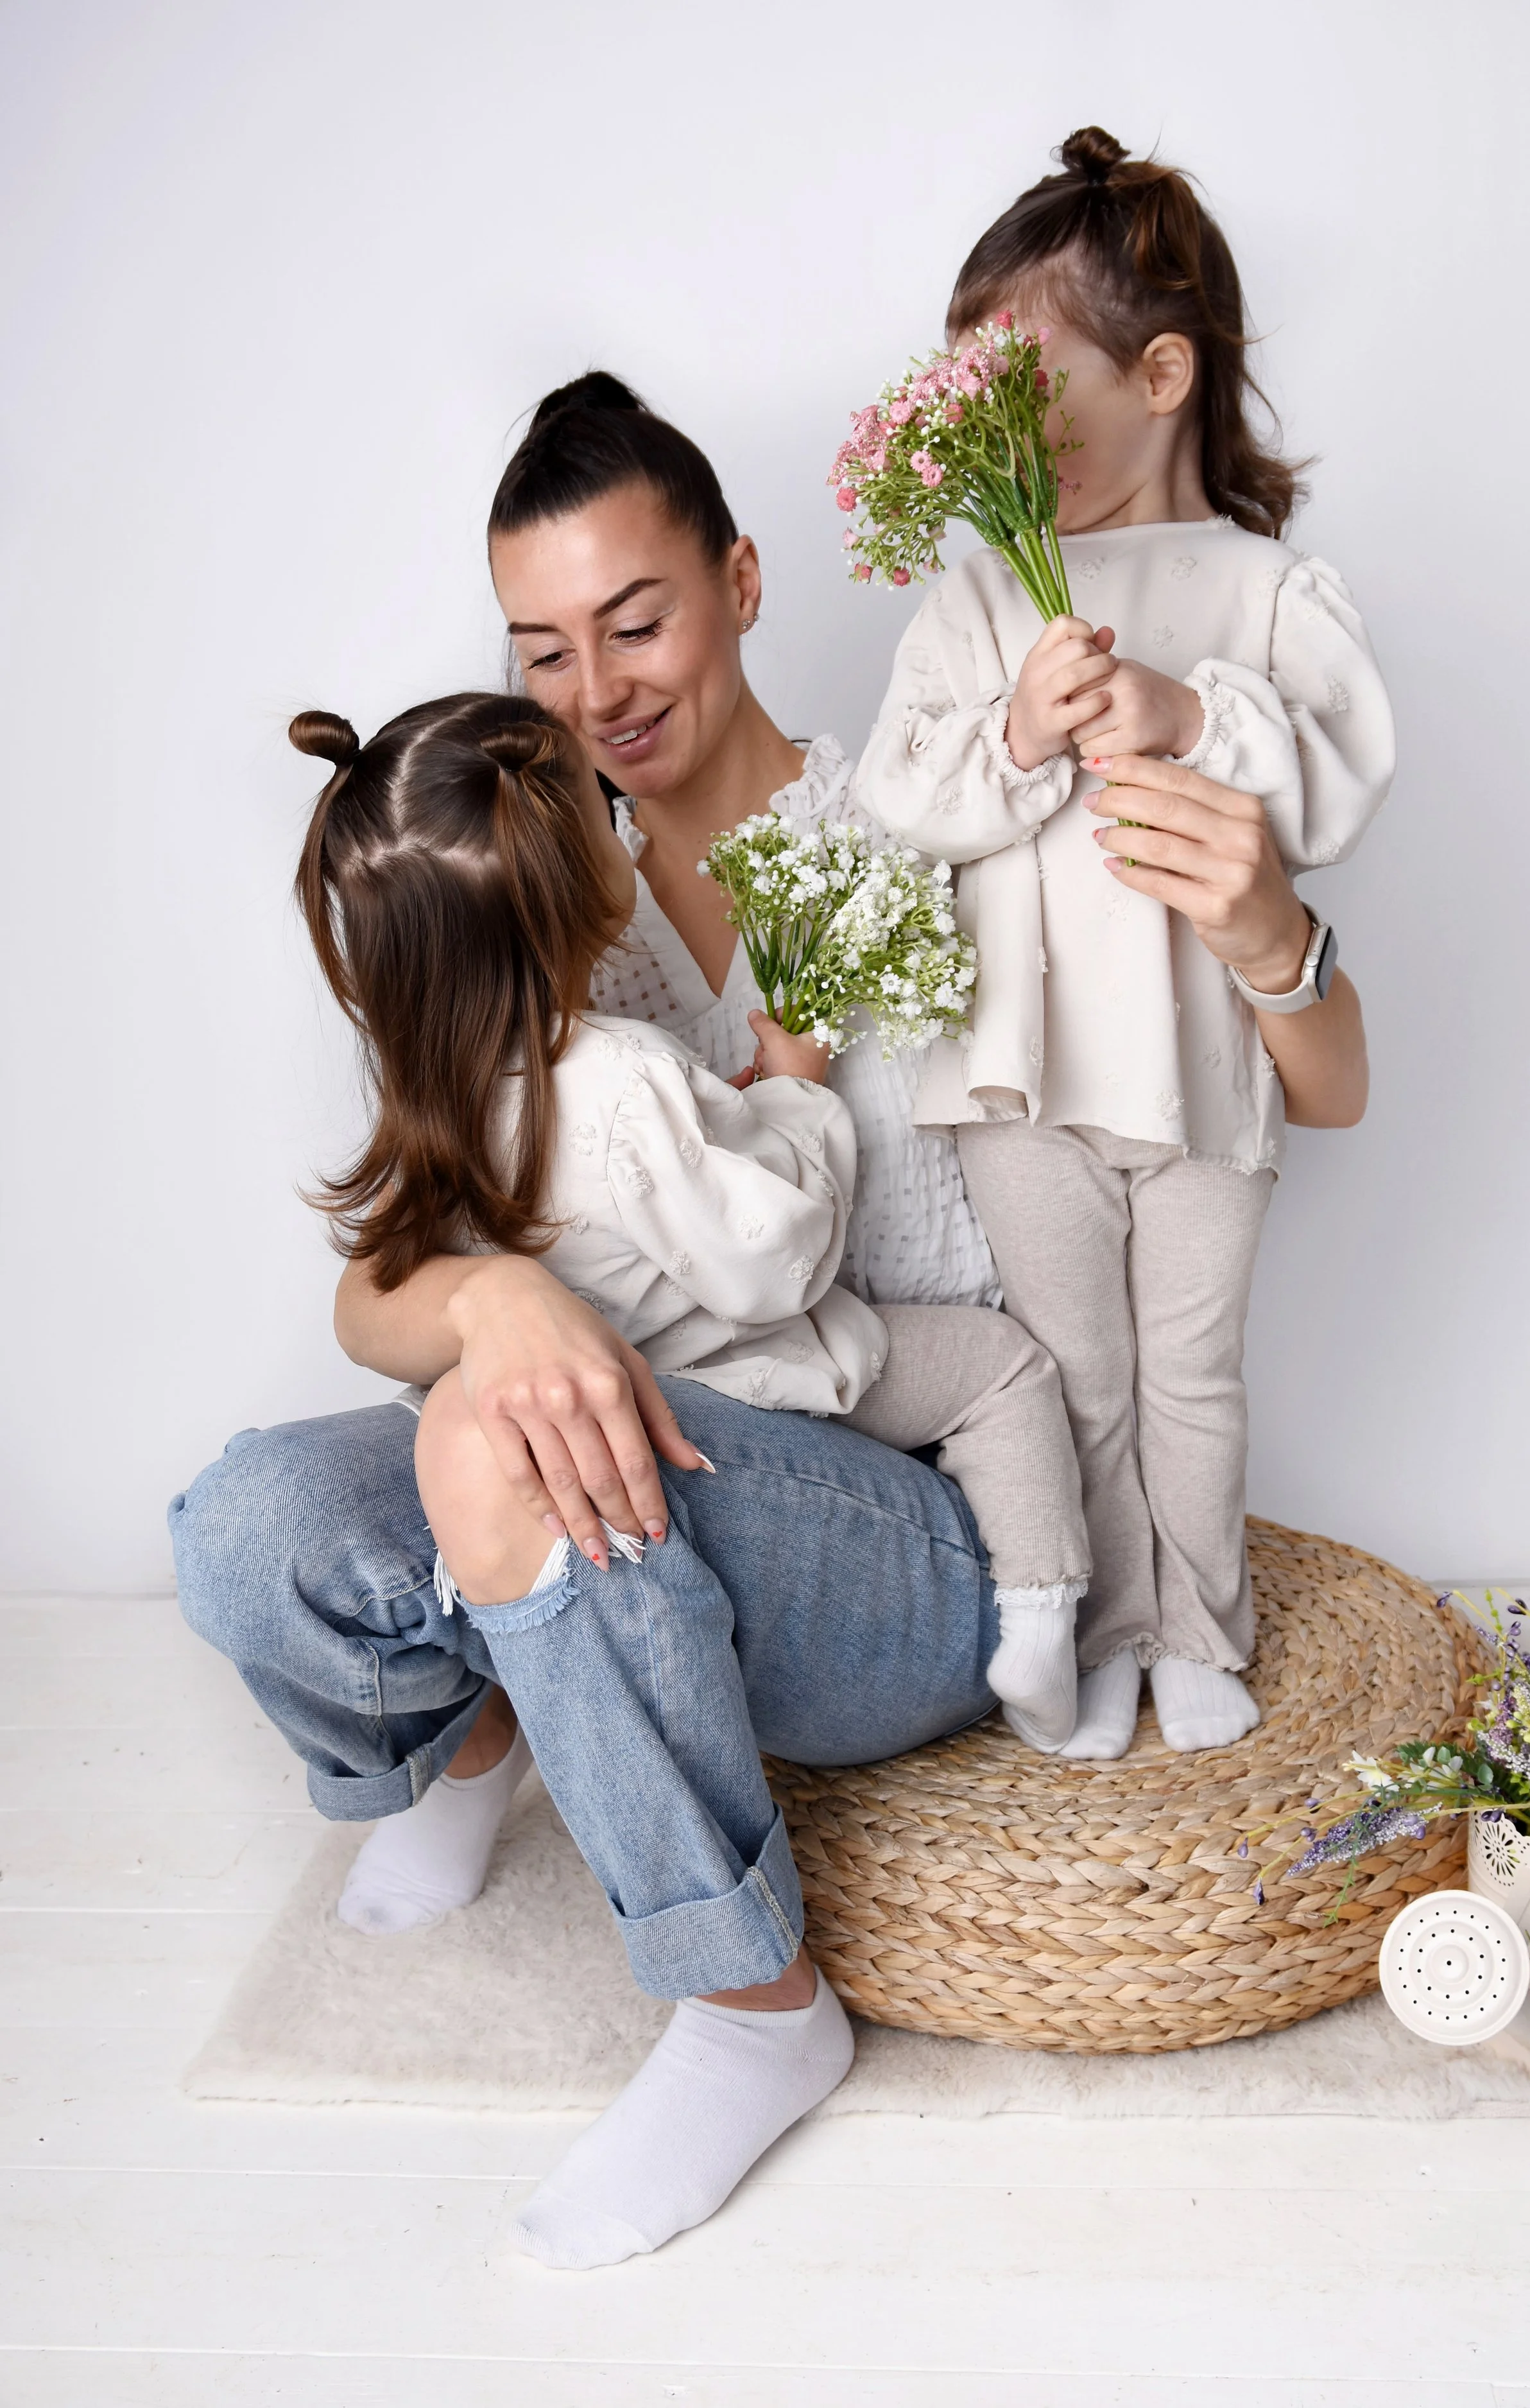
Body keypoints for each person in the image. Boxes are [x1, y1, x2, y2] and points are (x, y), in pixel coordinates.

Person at [169, 374, 1368, 2269]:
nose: (597, 690)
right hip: (665, 1460)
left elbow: (1313, 1083)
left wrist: (1273, 927)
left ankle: (746, 2011)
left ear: (736, 582)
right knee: (254, 1523)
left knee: (497, 1442)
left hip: (929, 1506)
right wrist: (497, 1295)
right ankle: (462, 1741)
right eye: (542, 648)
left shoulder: (924, 806)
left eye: (637, 620)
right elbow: (376, 1276)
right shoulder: (523, 892)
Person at [857, 126, 1391, 1763]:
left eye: (1020, 392)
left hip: (1207, 1077)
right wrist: (1017, 735)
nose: (989, 440)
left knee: (1191, 1375)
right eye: (964, 407)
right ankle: (1099, 1625)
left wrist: (1190, 713)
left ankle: (1197, 1627)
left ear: (1160, 374)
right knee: (1074, 1374)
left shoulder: (1264, 588)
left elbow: (1338, 773)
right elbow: (898, 798)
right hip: (1022, 1081)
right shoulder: (972, 600)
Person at [290, 687, 1089, 1738]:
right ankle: (1039, 1623)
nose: (622, 816)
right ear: (575, 883)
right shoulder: (621, 1077)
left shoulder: (443, 1095)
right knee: (1003, 1366)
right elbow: (779, 1262)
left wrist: (739, 1113)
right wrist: (798, 1087)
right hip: (753, 1390)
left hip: (618, 1420)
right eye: (595, 805)